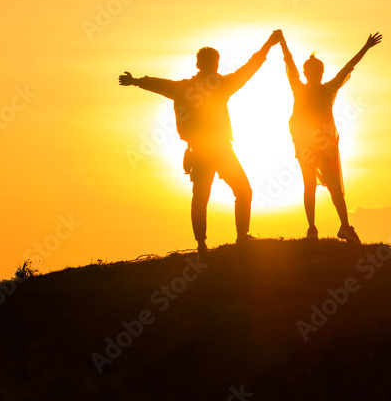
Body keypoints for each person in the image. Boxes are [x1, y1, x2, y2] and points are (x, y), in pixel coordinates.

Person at [119, 31, 282, 252]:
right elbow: (249, 69)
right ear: (215, 64)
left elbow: (159, 84)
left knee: (201, 198)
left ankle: (202, 244)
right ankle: (241, 236)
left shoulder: (183, 88)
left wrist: (135, 81)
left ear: (198, 64)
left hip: (200, 149)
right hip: (220, 149)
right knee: (242, 191)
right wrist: (269, 45)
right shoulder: (221, 84)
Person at [277, 29, 382, 242]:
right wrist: (366, 47)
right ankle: (340, 226)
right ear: (320, 73)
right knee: (332, 187)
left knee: (311, 185)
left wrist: (282, 41)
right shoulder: (326, 89)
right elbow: (347, 68)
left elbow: (289, 63)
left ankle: (315, 229)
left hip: (309, 143)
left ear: (307, 73)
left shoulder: (301, 88)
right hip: (321, 144)